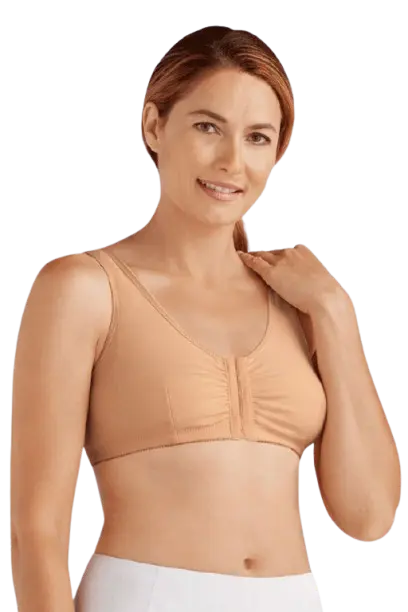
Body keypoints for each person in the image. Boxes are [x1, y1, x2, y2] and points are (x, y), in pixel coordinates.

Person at [10, 25, 326, 611]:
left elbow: (368, 513)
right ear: (154, 125)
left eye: (257, 137)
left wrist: (333, 313)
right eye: (208, 126)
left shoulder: (299, 302)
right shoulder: (85, 290)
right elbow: (36, 532)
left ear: (278, 151)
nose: (232, 161)